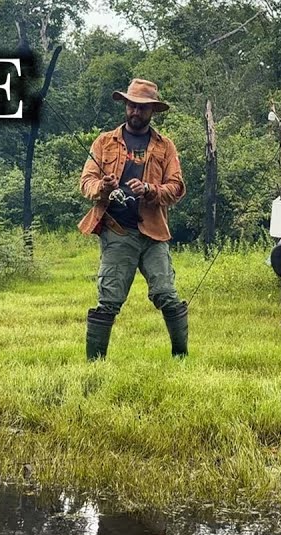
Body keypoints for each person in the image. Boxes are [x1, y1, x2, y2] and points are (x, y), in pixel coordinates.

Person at [78, 78, 188, 361]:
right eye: (131, 106)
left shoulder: (165, 146)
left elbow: (176, 187)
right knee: (109, 299)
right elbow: (86, 182)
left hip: (153, 232)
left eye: (142, 108)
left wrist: (151, 190)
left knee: (166, 293)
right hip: (117, 229)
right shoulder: (105, 141)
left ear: (152, 110)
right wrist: (102, 187)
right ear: (125, 105)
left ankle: (181, 356)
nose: (135, 112)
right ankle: (95, 363)